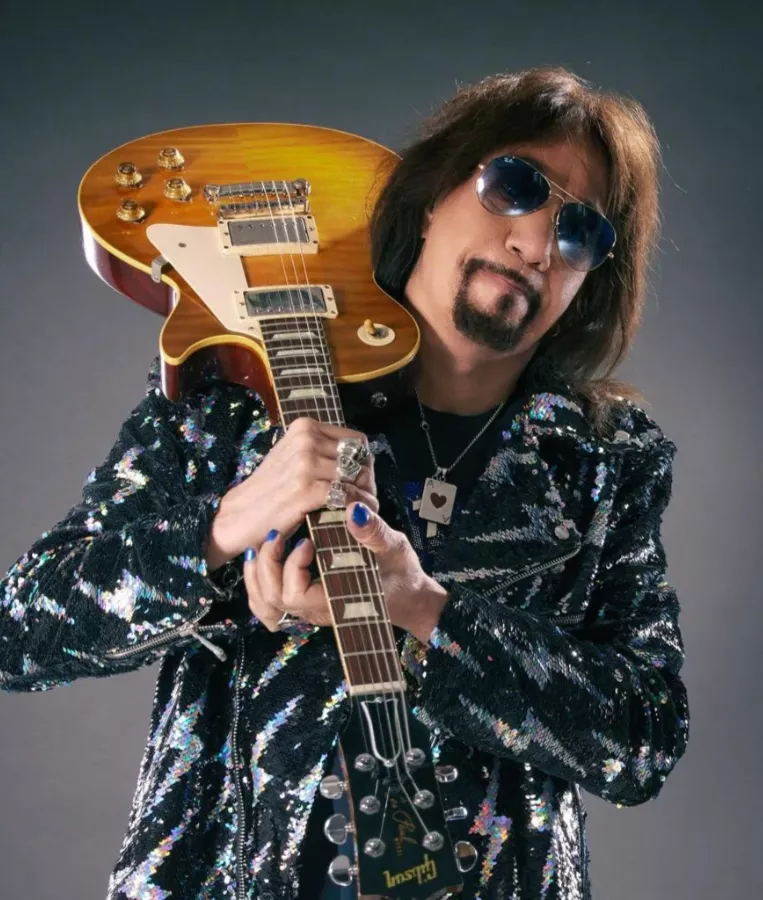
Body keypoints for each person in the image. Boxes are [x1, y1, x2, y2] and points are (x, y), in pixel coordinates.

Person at [0, 65, 689, 900]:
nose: (536, 244)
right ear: (430, 196)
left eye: (579, 233)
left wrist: (427, 613)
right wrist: (225, 529)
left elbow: (643, 740)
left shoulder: (603, 463)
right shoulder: (241, 393)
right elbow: (21, 630)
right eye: (515, 187)